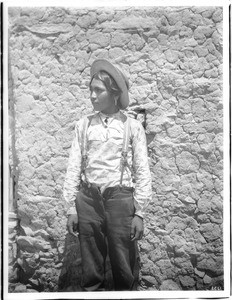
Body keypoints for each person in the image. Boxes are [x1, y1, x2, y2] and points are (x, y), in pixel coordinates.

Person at [63, 59, 152, 291]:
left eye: (98, 90)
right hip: (88, 199)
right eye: (90, 90)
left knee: (123, 264)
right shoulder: (83, 125)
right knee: (91, 266)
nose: (92, 96)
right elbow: (74, 166)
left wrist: (139, 212)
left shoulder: (132, 127)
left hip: (120, 200)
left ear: (114, 94)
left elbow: (142, 171)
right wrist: (71, 208)